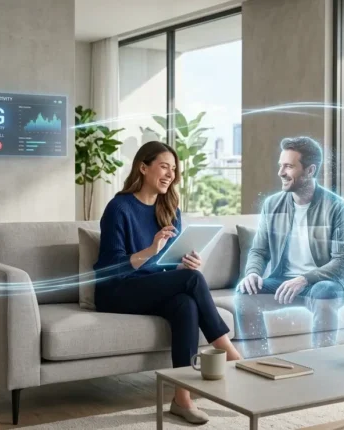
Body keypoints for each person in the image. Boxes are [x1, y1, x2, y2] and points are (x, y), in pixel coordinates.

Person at [93, 141, 241, 424]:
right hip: (116, 290)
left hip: (150, 286)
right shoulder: (119, 207)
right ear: (143, 167)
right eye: (164, 166)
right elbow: (112, 268)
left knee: (185, 304)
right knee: (192, 281)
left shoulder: (169, 208)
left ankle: (182, 400)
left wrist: (184, 263)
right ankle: (232, 356)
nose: (170, 174)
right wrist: (152, 249)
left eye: (174, 169)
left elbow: (168, 266)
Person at [236, 136, 344, 349]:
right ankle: (258, 361)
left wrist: (304, 279)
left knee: (324, 291)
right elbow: (259, 250)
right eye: (280, 165)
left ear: (310, 170)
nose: (281, 172)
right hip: (282, 281)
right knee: (244, 292)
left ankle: (322, 361)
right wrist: (252, 273)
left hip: (323, 284)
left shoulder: (336, 207)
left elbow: (343, 263)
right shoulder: (272, 205)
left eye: (289, 166)